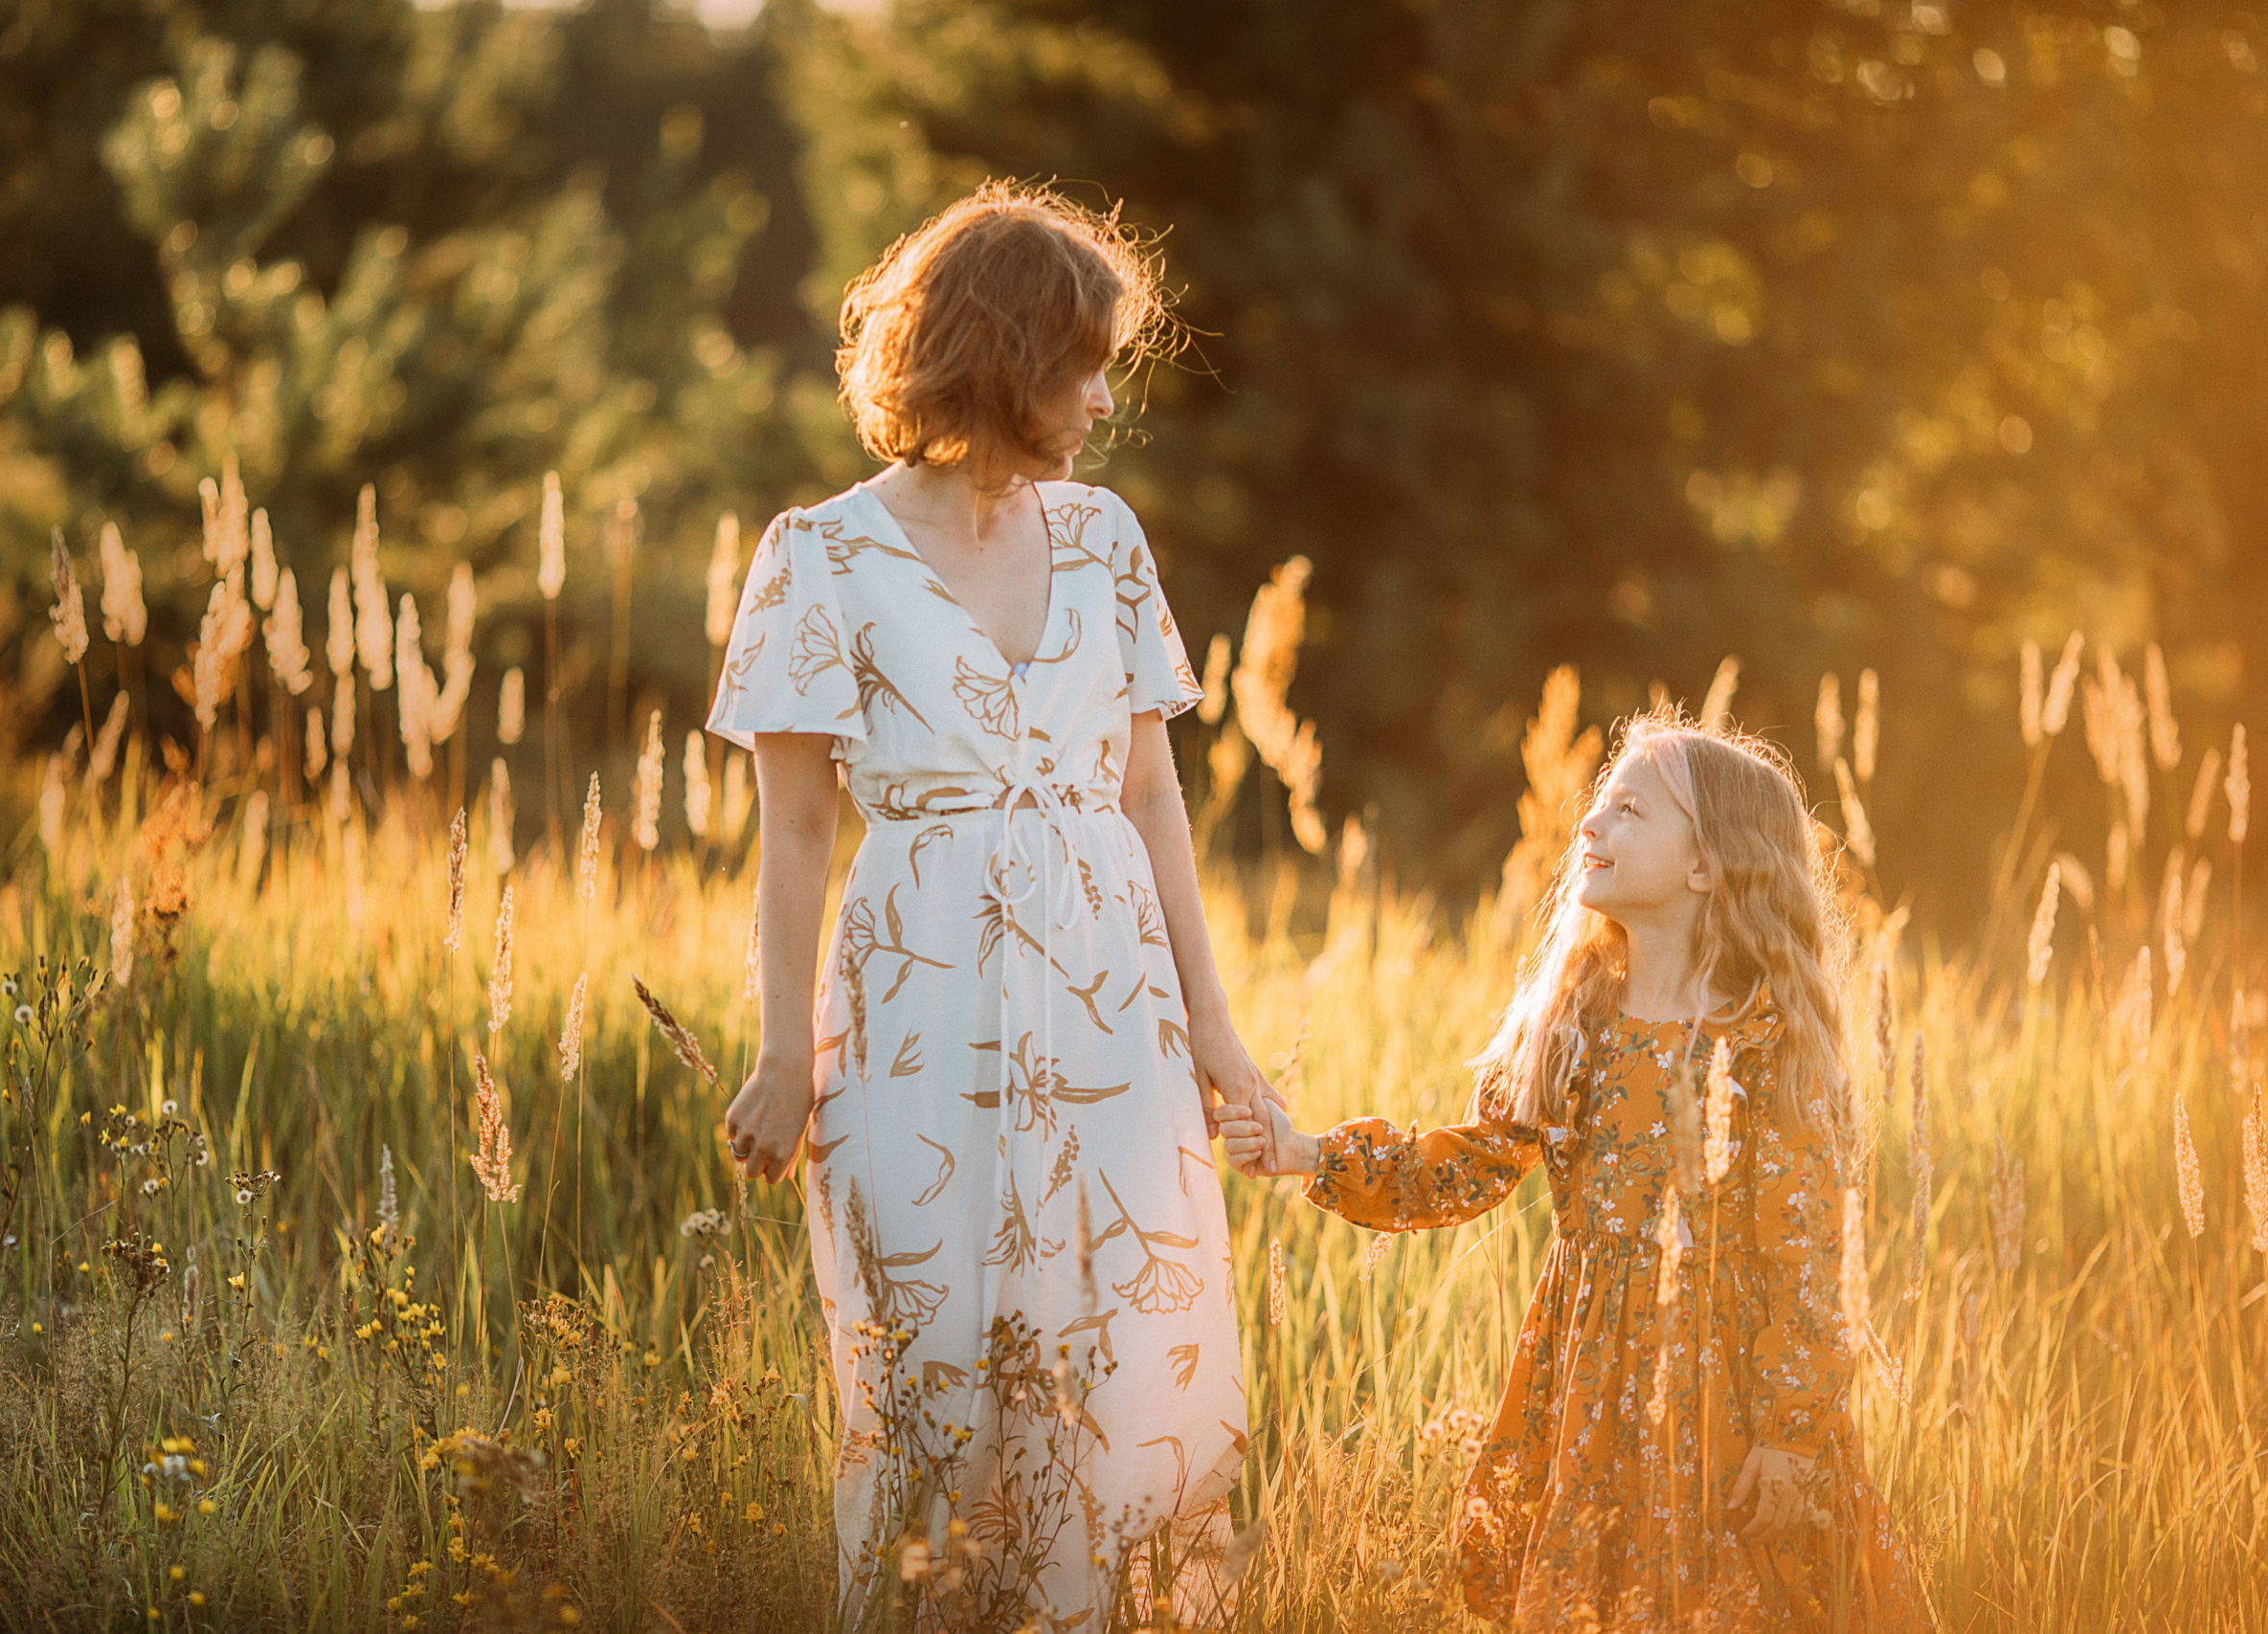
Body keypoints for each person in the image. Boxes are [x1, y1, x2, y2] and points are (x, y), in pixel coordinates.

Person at [706, 180, 1270, 1627]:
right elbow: (797, 828)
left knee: (1111, 1353)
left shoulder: (1106, 538)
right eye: (1080, 361)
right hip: (916, 995)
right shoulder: (817, 557)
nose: (1101, 395)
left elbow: (1152, 797)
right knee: (927, 1355)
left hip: (1107, 991)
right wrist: (780, 1052)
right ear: (1006, 355)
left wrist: (1216, 1034)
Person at [1218, 712, 1930, 1632]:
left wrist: (1792, 1434)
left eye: (1629, 809)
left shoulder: (1765, 1045)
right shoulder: (1578, 1020)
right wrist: (1312, 1151)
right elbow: (1472, 1162)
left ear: (1708, 865)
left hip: (1725, 1402)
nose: (1589, 823)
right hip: (1590, 1386)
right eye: (1599, 802)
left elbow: (1808, 1260)